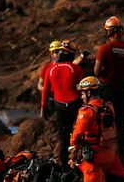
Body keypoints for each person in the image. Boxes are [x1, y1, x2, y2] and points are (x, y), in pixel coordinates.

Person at [94, 16, 124, 159]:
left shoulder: (104, 49)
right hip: (123, 85)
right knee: (120, 120)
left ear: (108, 32)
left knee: (105, 120)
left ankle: (107, 152)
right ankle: (122, 154)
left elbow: (96, 71)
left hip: (107, 86)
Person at [70, 76, 124, 182]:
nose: (81, 97)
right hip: (110, 154)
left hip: (94, 157)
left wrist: (74, 149)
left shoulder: (86, 111)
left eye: (82, 93)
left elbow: (76, 136)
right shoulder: (108, 107)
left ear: (89, 93)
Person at [41, 40, 84, 169]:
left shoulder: (50, 69)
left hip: (59, 107)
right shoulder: (76, 68)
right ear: (71, 56)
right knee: (80, 134)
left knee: (62, 137)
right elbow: (84, 89)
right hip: (76, 105)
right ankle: (80, 162)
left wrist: (43, 106)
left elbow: (45, 90)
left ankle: (64, 166)